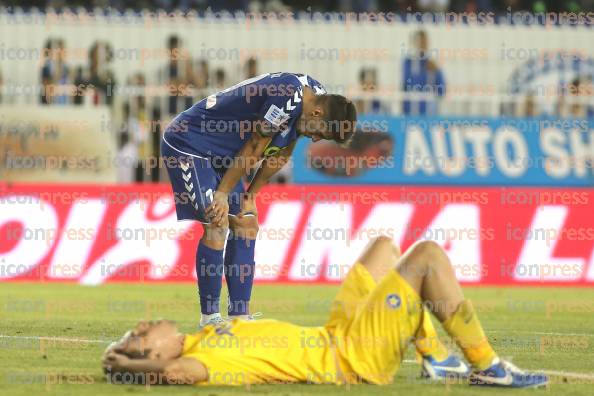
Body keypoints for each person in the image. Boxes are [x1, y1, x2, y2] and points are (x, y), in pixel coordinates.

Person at [102, 237, 548, 388]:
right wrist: (124, 364)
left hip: (336, 332)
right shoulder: (201, 361)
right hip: (353, 355)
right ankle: (487, 366)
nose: (142, 326)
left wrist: (128, 355)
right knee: (426, 257)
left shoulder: (204, 340)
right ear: (155, 357)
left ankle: (435, 355)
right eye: (136, 336)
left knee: (384, 247)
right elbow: (177, 375)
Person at [160, 72, 357, 327]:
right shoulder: (289, 95)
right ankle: (209, 319)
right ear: (318, 114)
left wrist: (250, 196)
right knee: (217, 222)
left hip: (224, 158)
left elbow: (281, 154)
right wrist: (222, 194)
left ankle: (239, 318)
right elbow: (255, 146)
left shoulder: (314, 96)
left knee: (246, 223)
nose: (316, 139)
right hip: (189, 144)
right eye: (321, 133)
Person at [402, 29, 446, 116]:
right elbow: (408, 83)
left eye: (424, 42)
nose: (422, 46)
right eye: (419, 42)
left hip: (430, 112)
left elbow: (442, 91)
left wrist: (437, 71)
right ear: (414, 44)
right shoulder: (408, 62)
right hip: (411, 111)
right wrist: (425, 71)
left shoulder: (433, 65)